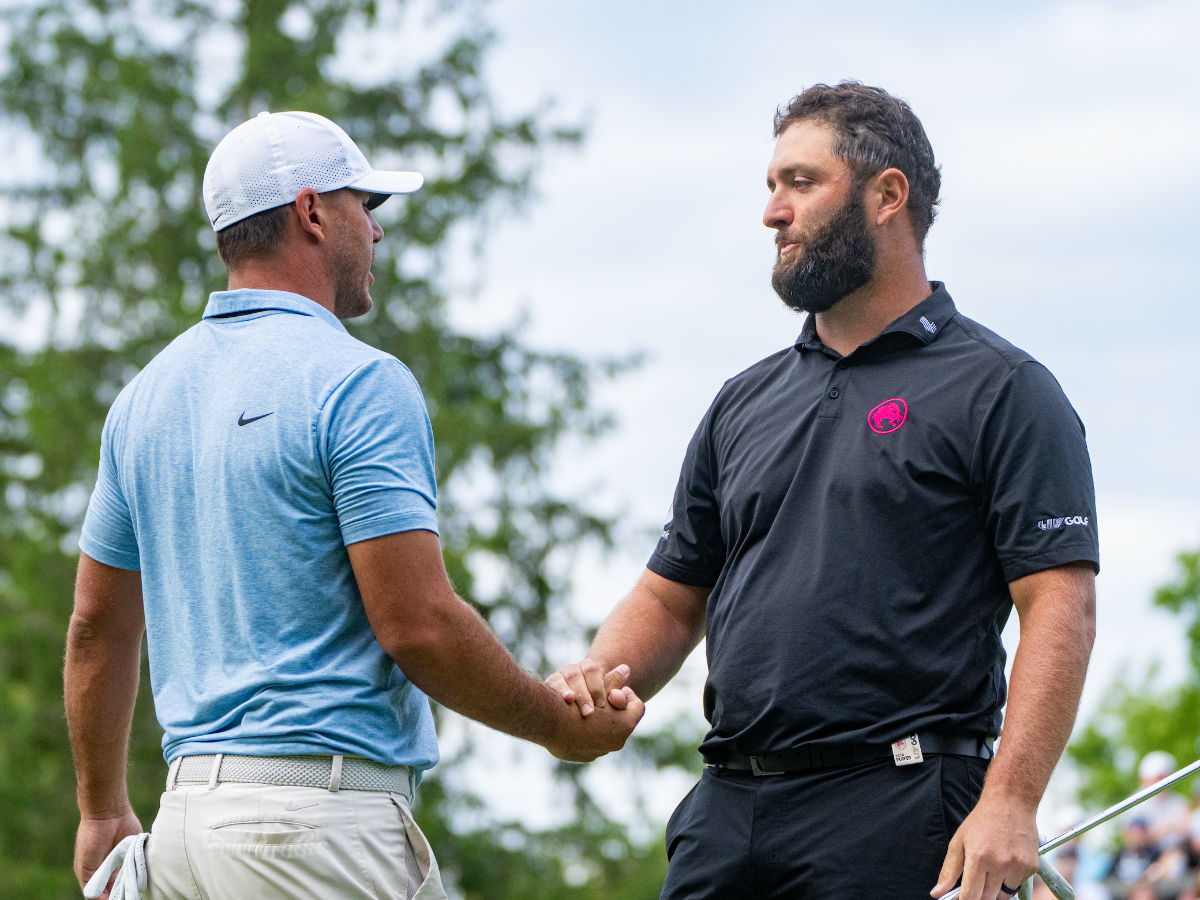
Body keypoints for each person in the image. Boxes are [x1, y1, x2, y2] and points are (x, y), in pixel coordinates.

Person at [66, 111, 644, 900]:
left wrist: (99, 811)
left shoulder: (141, 402)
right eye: (362, 207)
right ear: (311, 213)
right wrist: (554, 724)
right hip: (315, 834)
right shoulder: (359, 381)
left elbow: (96, 628)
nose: (374, 233)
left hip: (182, 836)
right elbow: (418, 627)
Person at [548, 81, 1099, 900]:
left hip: (902, 805)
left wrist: (1011, 801)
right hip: (728, 806)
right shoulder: (744, 399)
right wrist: (599, 675)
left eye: (801, 183)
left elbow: (1059, 603)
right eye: (770, 187)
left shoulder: (1004, 389)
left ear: (888, 196)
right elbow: (670, 599)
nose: (774, 212)